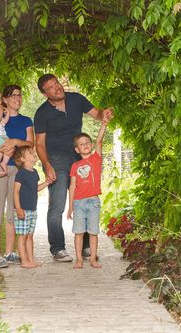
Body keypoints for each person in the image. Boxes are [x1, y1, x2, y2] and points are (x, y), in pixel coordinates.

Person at [34, 74, 113, 262]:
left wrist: (106, 114)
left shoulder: (76, 99)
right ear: (45, 93)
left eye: (57, 84)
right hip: (57, 159)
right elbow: (39, 144)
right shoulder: (42, 113)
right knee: (58, 205)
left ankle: (86, 247)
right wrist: (47, 165)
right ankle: (58, 248)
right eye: (51, 87)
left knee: (84, 200)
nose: (57, 88)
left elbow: (98, 114)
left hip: (79, 158)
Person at [0, 85, 34, 268]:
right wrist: (1, 148)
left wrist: (16, 142)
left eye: (20, 95)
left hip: (18, 170)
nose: (18, 98)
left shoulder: (26, 120)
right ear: (5, 100)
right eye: (13, 95)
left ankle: (9, 253)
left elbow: (30, 144)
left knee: (13, 213)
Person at [67, 122, 107, 269]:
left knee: (93, 232)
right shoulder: (75, 166)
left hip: (93, 202)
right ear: (77, 149)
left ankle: (92, 259)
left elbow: (99, 140)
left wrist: (104, 125)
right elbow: (72, 186)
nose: (85, 145)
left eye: (87, 143)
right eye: (81, 144)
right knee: (78, 232)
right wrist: (70, 206)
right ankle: (78, 259)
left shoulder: (96, 159)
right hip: (78, 203)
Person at [12, 146, 51, 268]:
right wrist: (18, 208)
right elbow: (16, 192)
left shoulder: (34, 173)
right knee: (22, 237)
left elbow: (35, 189)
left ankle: (31, 260)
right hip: (22, 210)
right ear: (22, 158)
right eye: (30, 152)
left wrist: (47, 183)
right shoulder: (21, 174)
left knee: (30, 236)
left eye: (33, 151)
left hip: (32, 210)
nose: (34, 153)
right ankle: (24, 261)